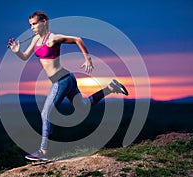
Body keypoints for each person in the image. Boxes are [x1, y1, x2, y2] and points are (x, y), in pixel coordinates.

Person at [8, 10, 128, 161]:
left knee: (45, 114)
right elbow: (25, 56)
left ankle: (44, 152)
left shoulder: (53, 38)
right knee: (83, 106)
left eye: (34, 24)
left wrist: (88, 59)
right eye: (30, 25)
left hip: (61, 80)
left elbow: (77, 39)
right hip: (68, 78)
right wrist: (17, 52)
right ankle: (111, 87)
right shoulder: (35, 40)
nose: (32, 27)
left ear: (44, 22)